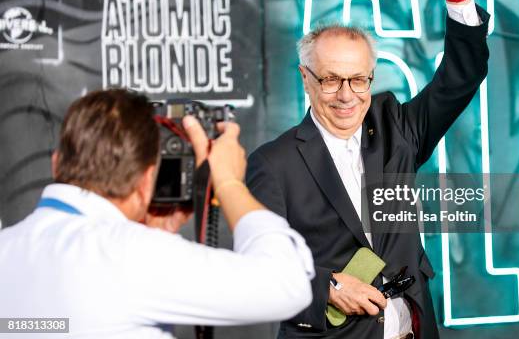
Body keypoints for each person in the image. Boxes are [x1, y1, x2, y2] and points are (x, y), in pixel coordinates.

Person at [246, 0, 490, 339]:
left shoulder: (397, 128)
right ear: (305, 78)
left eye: (359, 79)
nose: (347, 95)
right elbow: (258, 268)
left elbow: (460, 79)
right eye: (330, 80)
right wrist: (325, 286)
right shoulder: (274, 164)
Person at [0, 89, 314, 338]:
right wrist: (229, 181)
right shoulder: (129, 254)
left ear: (56, 163)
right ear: (147, 179)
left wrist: (157, 234)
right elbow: (288, 284)